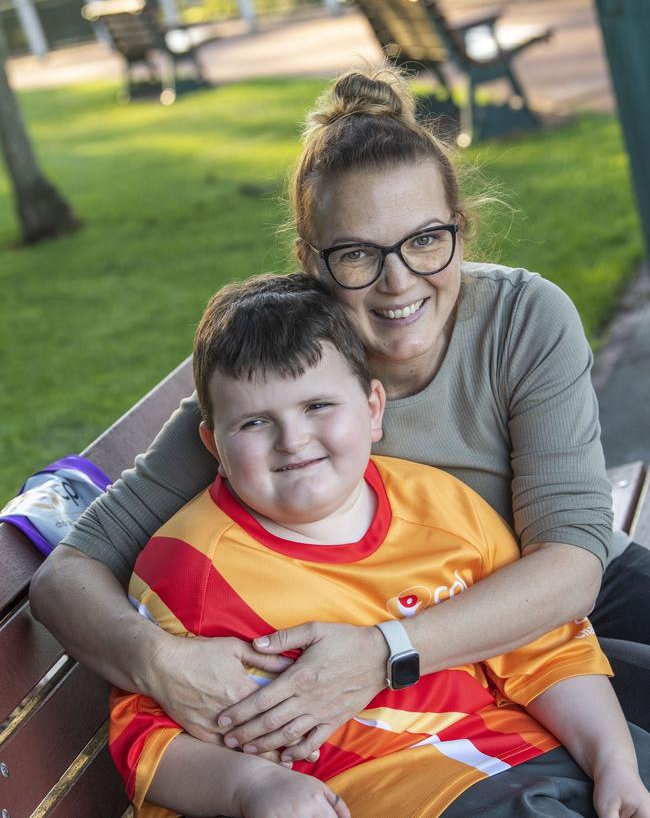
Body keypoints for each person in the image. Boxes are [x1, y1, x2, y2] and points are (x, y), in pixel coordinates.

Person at [30, 69, 650, 761]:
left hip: (543, 616)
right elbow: (65, 578)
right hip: (435, 681)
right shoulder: (285, 391)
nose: (398, 280)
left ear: (461, 228)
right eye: (358, 253)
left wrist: (385, 652)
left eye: (425, 240)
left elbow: (570, 565)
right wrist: (162, 664)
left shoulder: (522, 318)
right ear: (310, 262)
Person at [109, 272, 649, 818]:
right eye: (254, 422)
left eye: (318, 405)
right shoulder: (191, 568)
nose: (293, 439)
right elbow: (144, 737)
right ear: (213, 444)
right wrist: (250, 787)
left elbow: (546, 654)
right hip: (398, 793)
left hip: (532, 755)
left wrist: (615, 765)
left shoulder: (442, 506)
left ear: (373, 409)